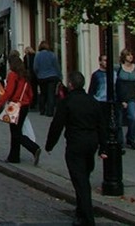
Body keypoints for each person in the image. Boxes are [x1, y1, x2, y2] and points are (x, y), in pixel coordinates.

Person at [45, 71, 107, 226]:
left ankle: (87, 217)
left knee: (80, 181)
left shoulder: (67, 103)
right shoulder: (93, 102)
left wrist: (49, 144)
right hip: (91, 143)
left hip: (75, 144)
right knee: (83, 176)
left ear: (71, 85)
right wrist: (103, 147)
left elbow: (57, 125)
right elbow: (102, 125)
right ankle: (81, 210)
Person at [0, 55, 41, 165]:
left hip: (14, 105)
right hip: (24, 106)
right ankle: (14, 156)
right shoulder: (25, 76)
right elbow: (31, 94)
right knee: (17, 130)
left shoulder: (13, 75)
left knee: (15, 133)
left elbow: (8, 92)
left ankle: (33, 148)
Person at [116, 48, 135, 150]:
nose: (130, 57)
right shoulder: (118, 68)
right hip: (121, 95)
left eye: (131, 55)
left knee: (133, 117)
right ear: (124, 57)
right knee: (119, 120)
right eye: (128, 55)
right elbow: (116, 84)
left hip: (131, 95)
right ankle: (120, 141)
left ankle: (130, 139)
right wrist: (121, 99)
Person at [33, 41, 62, 117]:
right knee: (51, 94)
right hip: (52, 76)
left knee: (43, 94)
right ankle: (50, 111)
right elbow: (57, 66)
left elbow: (35, 67)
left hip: (41, 77)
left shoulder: (37, 56)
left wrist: (38, 74)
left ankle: (42, 110)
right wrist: (60, 76)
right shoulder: (52, 55)